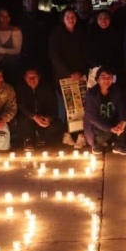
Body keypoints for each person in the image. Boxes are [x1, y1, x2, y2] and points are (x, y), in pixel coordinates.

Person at [49, 8, 88, 148]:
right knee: (68, 107)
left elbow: (86, 55)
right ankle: (67, 134)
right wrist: (69, 73)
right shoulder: (56, 34)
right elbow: (55, 56)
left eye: (73, 17)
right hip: (63, 76)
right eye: (68, 17)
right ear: (63, 19)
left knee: (81, 106)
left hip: (80, 76)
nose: (71, 19)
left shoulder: (81, 34)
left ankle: (81, 135)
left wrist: (80, 72)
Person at [83, 67, 126, 155]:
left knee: (124, 120)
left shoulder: (116, 91)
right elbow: (92, 118)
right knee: (106, 133)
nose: (106, 80)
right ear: (97, 80)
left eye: (109, 77)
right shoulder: (91, 94)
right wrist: (109, 128)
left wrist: (123, 121)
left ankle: (118, 145)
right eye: (103, 77)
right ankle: (97, 144)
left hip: (111, 121)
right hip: (97, 126)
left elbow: (122, 108)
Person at [15, 67, 64, 150]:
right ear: (25, 78)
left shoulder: (47, 88)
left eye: (34, 77)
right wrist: (34, 116)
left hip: (43, 117)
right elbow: (22, 106)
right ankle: (28, 139)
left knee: (56, 126)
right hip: (28, 118)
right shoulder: (20, 89)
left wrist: (49, 118)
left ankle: (42, 137)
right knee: (23, 121)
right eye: (29, 77)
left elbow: (53, 105)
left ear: (39, 77)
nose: (32, 79)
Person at [0, 6, 23, 77]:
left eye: (7, 16)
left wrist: (1, 50)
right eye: (2, 16)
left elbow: (17, 50)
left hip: (11, 65)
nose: (5, 18)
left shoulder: (15, 30)